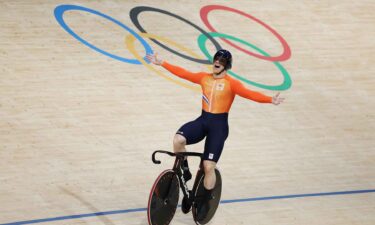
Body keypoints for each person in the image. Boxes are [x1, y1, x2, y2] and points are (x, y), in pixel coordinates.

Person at [146, 49, 284, 218]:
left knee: (208, 166)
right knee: (178, 139)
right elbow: (184, 74)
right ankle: (185, 170)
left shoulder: (231, 83)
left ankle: (205, 199)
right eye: (215, 60)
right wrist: (163, 63)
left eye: (221, 61)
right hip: (203, 121)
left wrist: (270, 99)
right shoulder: (204, 78)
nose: (216, 62)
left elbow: (250, 94)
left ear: (227, 66)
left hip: (218, 127)